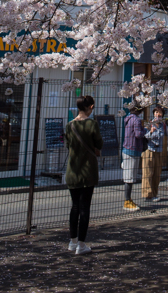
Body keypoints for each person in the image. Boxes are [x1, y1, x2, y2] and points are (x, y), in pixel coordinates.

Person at [65, 94, 103, 254]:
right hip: (88, 171)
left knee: (74, 207)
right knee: (84, 208)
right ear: (91, 107)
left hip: (72, 171)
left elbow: (68, 145)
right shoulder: (92, 124)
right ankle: (81, 244)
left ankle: (72, 241)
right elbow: (99, 143)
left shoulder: (69, 125)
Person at [121, 104, 144, 211]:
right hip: (133, 149)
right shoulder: (137, 120)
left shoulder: (128, 118)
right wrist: (147, 130)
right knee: (129, 177)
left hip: (126, 149)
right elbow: (138, 134)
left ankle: (129, 199)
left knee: (128, 176)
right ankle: (127, 201)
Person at [141, 106, 166, 202]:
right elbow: (144, 136)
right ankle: (148, 195)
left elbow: (163, 136)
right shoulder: (149, 124)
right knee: (148, 173)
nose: (158, 115)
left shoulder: (163, 125)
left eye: (160, 114)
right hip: (149, 150)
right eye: (156, 113)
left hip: (159, 151)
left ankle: (154, 194)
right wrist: (151, 132)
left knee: (157, 173)